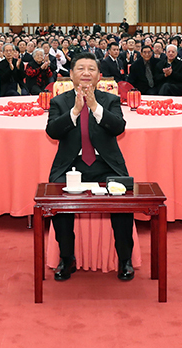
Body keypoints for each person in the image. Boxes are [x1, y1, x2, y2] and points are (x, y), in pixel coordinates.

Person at [45, 53, 135, 282]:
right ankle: (67, 258)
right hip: (71, 165)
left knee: (123, 199)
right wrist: (74, 111)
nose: (86, 73)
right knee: (58, 198)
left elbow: (118, 128)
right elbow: (52, 131)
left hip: (106, 165)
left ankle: (125, 259)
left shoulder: (110, 100)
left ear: (99, 76)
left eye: (91, 69)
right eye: (81, 68)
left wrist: (95, 107)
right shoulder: (59, 101)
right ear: (71, 74)